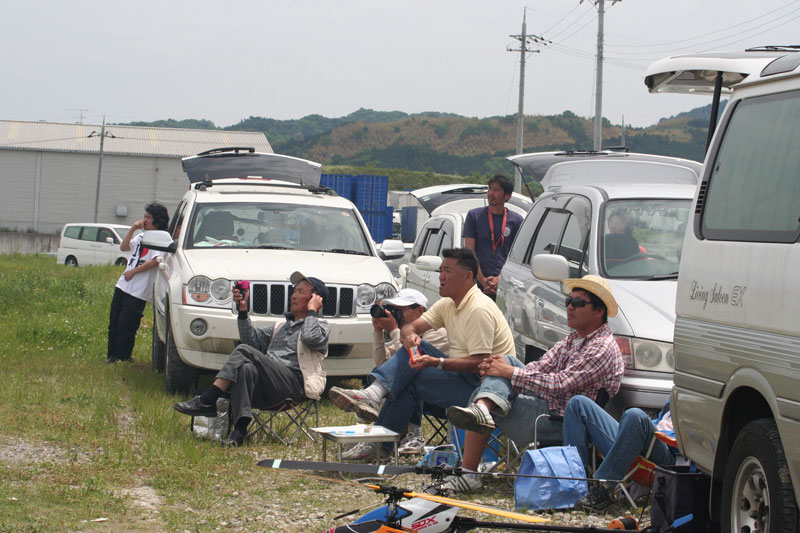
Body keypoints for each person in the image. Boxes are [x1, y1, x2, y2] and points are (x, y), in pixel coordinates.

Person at [328, 248, 514, 473]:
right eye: (440, 270)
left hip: (487, 389)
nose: (440, 276)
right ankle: (380, 439)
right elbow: (411, 327)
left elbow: (480, 363)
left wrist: (436, 362)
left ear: (467, 276)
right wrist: (409, 336)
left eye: (447, 271)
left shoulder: (478, 308)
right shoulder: (448, 304)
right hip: (463, 380)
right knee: (412, 367)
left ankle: (375, 409)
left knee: (418, 358)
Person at [446, 275, 625, 492]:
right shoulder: (574, 339)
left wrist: (507, 373)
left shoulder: (601, 347)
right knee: (506, 364)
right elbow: (539, 367)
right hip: (547, 407)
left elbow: (559, 384)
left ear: (599, 311)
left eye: (578, 303)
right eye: (569, 301)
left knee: (494, 384)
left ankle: (469, 470)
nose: (570, 307)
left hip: (561, 423)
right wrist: (501, 371)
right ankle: (482, 409)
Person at [173, 271, 330, 447]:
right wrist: (243, 309)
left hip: (295, 385)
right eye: (294, 291)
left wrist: (312, 311)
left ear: (315, 298)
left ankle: (208, 399)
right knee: (246, 368)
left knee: (244, 351)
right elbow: (250, 340)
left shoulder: (321, 327)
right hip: (269, 386)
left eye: (300, 292)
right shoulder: (280, 326)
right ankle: (239, 431)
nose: (293, 296)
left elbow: (309, 337)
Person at [347, 288, 449, 458]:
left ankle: (403, 436)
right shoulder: (406, 333)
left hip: (444, 396)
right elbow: (382, 363)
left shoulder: (436, 332)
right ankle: (379, 440)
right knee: (388, 377)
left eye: (401, 310)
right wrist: (378, 332)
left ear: (420, 311)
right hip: (419, 395)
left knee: (410, 377)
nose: (397, 315)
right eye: (394, 310)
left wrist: (394, 329)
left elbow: (413, 361)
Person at [563, 395, 678, 512]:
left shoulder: (690, 401)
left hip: (668, 452)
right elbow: (660, 421)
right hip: (641, 438)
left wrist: (651, 430)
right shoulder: (677, 395)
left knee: (635, 415)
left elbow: (687, 444)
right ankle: (571, 491)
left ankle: (605, 489)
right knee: (577, 403)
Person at [107, 203, 169, 363]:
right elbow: (124, 247)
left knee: (127, 323)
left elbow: (155, 260)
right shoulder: (140, 237)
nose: (145, 220)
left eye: (149, 217)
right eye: (145, 216)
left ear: (157, 220)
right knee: (114, 321)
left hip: (139, 289)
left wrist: (133, 272)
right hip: (123, 285)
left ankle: (123, 356)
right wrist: (133, 229)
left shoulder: (161, 239)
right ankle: (111, 355)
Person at [463, 175, 524, 299]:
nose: (491, 193)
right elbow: (470, 251)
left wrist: (500, 280)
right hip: (477, 284)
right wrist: (483, 280)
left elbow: (517, 257)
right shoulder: (474, 216)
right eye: (490, 188)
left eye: (496, 190)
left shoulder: (516, 220)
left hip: (505, 285)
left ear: (507, 196)